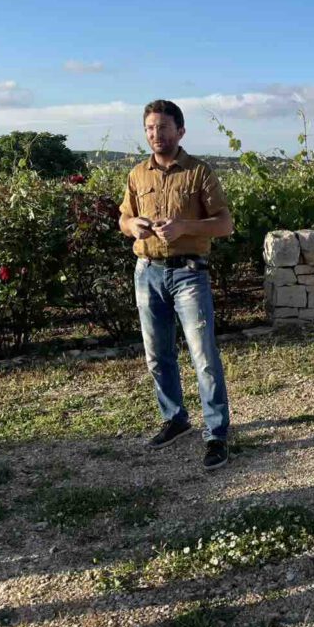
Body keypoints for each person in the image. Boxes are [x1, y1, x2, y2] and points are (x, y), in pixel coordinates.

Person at [118, 99, 234, 469]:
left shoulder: (199, 173)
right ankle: (176, 419)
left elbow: (224, 224)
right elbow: (124, 217)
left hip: (189, 273)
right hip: (147, 270)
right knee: (157, 355)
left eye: (163, 128)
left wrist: (185, 227)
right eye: (150, 128)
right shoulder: (138, 174)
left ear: (180, 131)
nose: (156, 134)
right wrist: (131, 226)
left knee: (204, 358)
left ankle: (216, 434)